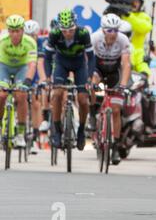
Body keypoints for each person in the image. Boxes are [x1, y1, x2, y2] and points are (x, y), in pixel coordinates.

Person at [44, 9, 95, 150]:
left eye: (71, 30)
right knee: (57, 94)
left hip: (79, 65)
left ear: (76, 26)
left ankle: (81, 131)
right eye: (64, 31)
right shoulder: (54, 34)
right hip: (61, 64)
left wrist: (90, 78)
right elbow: (47, 58)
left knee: (83, 99)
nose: (67, 34)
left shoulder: (83, 33)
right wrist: (48, 77)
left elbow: (91, 58)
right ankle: (57, 129)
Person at [89, 14, 131, 165]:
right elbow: (87, 61)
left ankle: (115, 146)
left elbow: (126, 65)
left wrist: (123, 85)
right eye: (109, 30)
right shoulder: (94, 38)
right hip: (98, 68)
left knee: (115, 110)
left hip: (114, 71)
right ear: (103, 30)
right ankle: (92, 114)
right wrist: (90, 83)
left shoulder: (123, 40)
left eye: (115, 30)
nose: (112, 33)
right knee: (91, 85)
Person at [0, 15, 37, 148]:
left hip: (22, 68)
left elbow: (32, 65)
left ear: (23, 30)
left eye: (18, 31)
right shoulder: (2, 40)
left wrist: (27, 82)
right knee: (1, 95)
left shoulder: (30, 42)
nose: (15, 34)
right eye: (12, 31)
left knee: (21, 96)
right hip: (3, 66)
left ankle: (21, 134)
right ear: (8, 31)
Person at [24, 20, 48, 148]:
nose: (30, 38)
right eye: (27, 35)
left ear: (37, 34)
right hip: (24, 70)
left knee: (35, 102)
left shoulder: (41, 43)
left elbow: (39, 63)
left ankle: (35, 133)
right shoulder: (22, 42)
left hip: (36, 72)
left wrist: (41, 79)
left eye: (32, 35)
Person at [122, 0, 153, 77]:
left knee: (144, 73)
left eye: (136, 2)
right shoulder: (122, 14)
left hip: (138, 54)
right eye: (131, 2)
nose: (134, 4)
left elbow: (144, 27)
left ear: (141, 4)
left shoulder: (144, 16)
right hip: (122, 52)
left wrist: (128, 15)